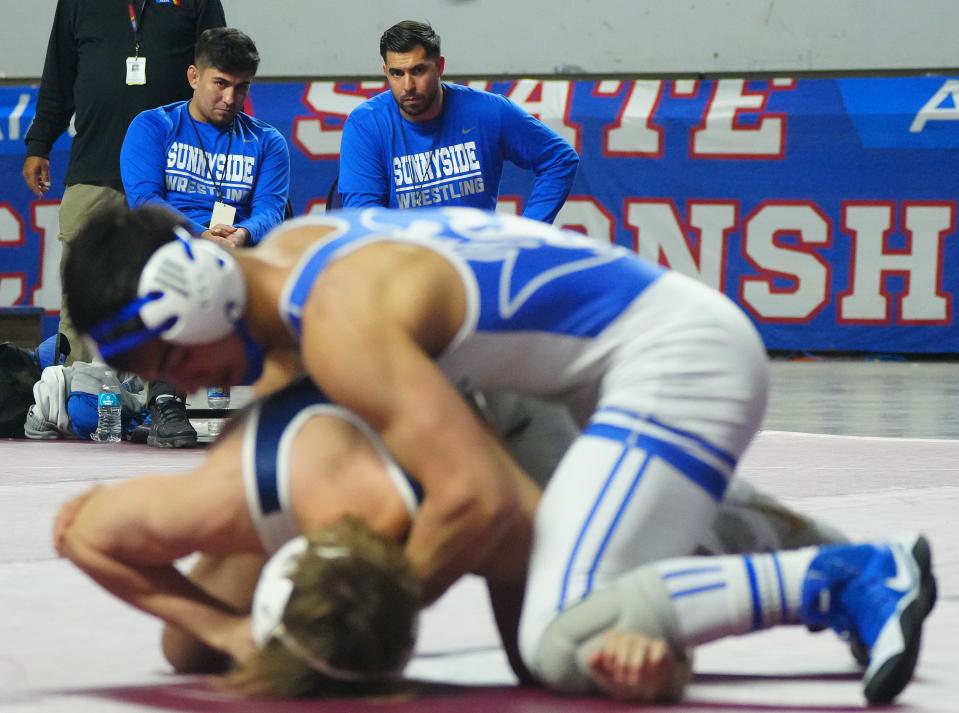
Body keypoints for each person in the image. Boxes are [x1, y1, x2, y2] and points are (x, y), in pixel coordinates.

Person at [62, 204, 936, 703]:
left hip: (670, 364)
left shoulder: (334, 323)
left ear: (201, 293)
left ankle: (845, 575)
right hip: (575, 385)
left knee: (561, 638)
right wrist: (234, 626)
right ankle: (781, 539)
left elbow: (473, 500)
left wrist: (349, 638)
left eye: (174, 359)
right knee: (547, 655)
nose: (183, 383)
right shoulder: (290, 270)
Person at [54, 373, 933, 703]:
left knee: (548, 649)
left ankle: (768, 533)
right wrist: (229, 633)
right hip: (372, 435)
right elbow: (79, 529)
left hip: (507, 426)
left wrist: (651, 659)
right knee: (185, 644)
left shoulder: (475, 516)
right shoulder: (247, 488)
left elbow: (605, 622)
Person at [22, 0, 226, 447]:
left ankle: (162, 400)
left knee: (164, 285)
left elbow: (218, 68)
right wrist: (40, 141)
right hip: (93, 165)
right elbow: (59, 74)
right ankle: (76, 399)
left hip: (169, 174)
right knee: (79, 287)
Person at [338, 21, 579, 222]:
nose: (408, 86)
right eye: (397, 74)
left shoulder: (488, 112)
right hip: (403, 269)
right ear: (386, 72)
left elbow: (559, 158)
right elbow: (364, 222)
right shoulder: (366, 125)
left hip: (473, 263)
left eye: (418, 71)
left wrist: (527, 235)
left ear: (439, 66)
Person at [120, 27, 290, 248]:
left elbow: (271, 211)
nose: (229, 98)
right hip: (168, 248)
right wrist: (201, 234)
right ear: (194, 77)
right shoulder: (153, 127)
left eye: (241, 87)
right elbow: (145, 202)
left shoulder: (268, 141)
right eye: (221, 83)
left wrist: (241, 235)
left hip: (238, 252)